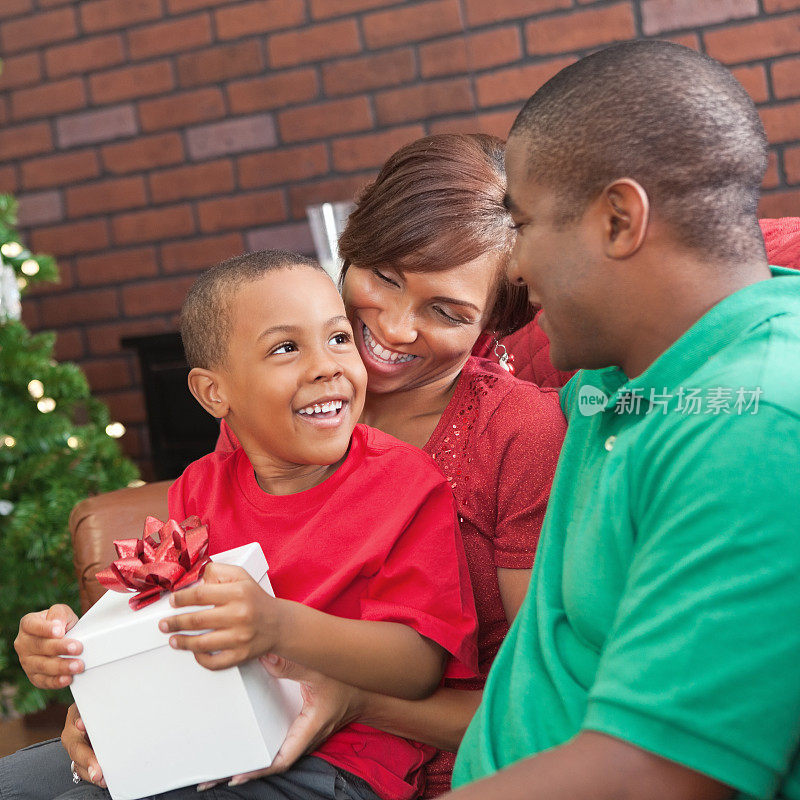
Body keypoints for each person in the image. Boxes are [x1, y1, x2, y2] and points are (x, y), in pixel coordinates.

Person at [8, 134, 566, 799]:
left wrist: (352, 699)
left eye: (445, 312)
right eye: (383, 277)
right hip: (234, 730)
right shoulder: (277, 414)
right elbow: (187, 603)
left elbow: (547, 706)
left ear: (492, 325)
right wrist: (106, 704)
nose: (390, 327)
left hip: (414, 761)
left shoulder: (518, 434)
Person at [446, 41, 800, 799]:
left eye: (525, 225)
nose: (513, 268)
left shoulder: (754, 425)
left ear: (618, 220)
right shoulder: (626, 372)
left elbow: (651, 777)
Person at [22, 249, 484, 800]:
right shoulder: (198, 488)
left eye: (339, 338)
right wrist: (85, 664)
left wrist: (277, 625)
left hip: (341, 763)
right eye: (286, 348)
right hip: (208, 738)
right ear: (214, 393)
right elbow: (162, 625)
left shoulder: (406, 483)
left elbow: (417, 666)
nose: (327, 365)